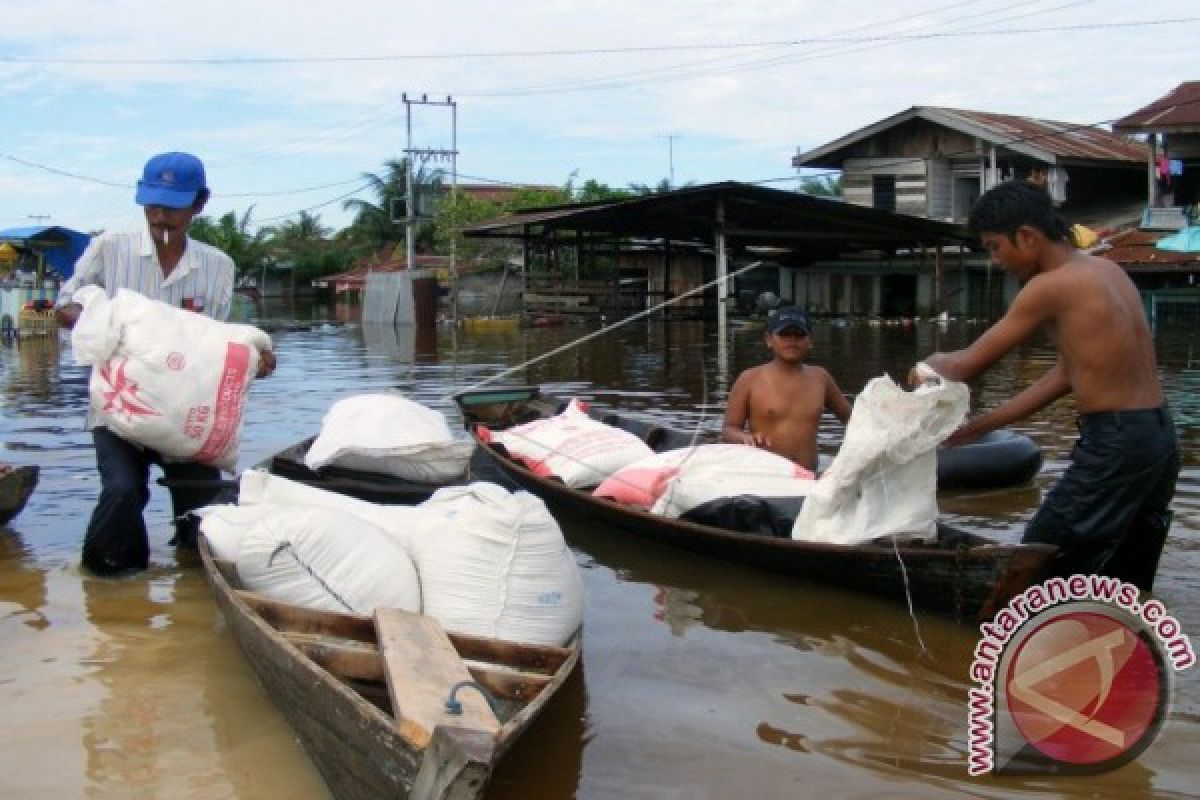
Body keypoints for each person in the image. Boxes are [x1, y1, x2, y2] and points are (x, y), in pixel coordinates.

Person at [912, 181, 1178, 590]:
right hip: (1157, 436)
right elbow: (1068, 375)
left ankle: (1019, 644)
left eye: (995, 247)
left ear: (1028, 236)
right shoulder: (1107, 270)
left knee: (1042, 561)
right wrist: (984, 426)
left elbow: (964, 365)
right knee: (1127, 574)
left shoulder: (1048, 287)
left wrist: (925, 367)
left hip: (1117, 440)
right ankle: (1131, 643)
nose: (995, 259)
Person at [55, 151, 277, 576]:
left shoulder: (216, 266)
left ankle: (193, 584)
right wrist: (107, 319)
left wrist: (256, 359)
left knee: (203, 517)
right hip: (119, 408)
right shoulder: (110, 248)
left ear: (199, 203)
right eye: (151, 205)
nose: (159, 216)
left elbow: (217, 340)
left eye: (172, 207)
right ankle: (107, 583)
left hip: (186, 412)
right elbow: (64, 307)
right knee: (122, 491)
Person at [722, 306, 851, 472]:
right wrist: (745, 438)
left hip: (808, 477)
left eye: (799, 334)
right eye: (784, 334)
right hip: (765, 476)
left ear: (810, 340)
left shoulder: (821, 378)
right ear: (769, 339)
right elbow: (728, 430)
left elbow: (853, 420)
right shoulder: (749, 379)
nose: (792, 340)